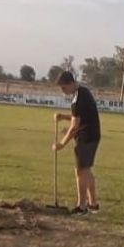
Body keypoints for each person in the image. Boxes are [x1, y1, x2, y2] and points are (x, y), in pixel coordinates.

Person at [52, 71, 101, 215]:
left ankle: (82, 206)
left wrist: (62, 143)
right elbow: (77, 117)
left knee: (80, 171)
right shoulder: (82, 92)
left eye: (63, 87)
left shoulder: (78, 98)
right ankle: (93, 204)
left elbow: (74, 126)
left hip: (87, 137)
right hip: (92, 135)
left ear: (70, 83)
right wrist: (63, 117)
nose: (62, 91)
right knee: (86, 170)